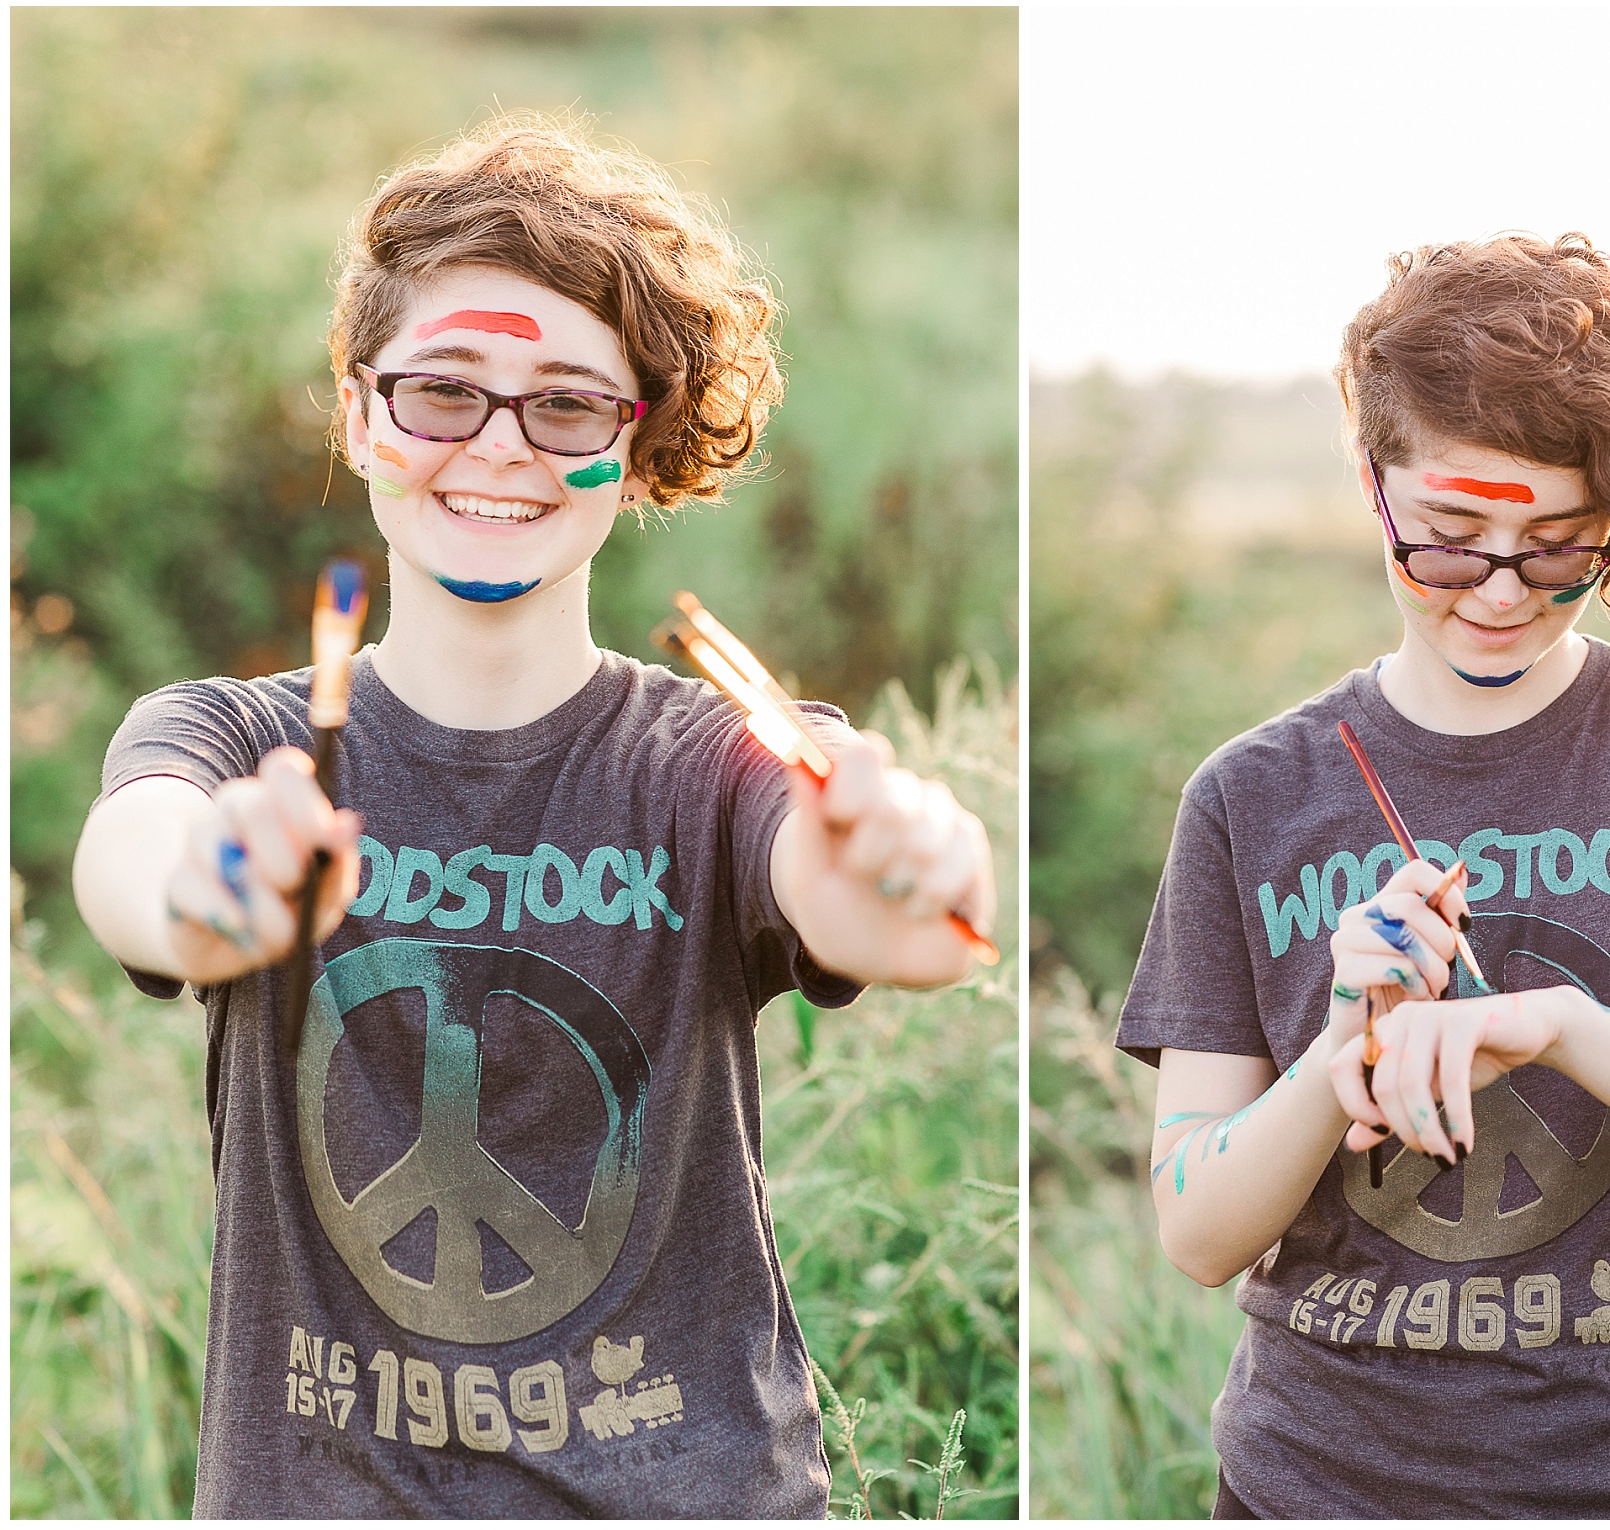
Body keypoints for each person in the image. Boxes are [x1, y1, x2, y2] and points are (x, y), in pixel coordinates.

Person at [71, 118, 996, 1517]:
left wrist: (917, 862)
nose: (499, 447)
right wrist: (210, 888)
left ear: (640, 442)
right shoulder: (233, 741)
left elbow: (881, 900)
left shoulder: (719, 764)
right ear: (360, 413)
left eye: (567, 405)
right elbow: (134, 862)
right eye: (444, 392)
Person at [1116, 233, 1610, 1518]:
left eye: (1555, 546)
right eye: (1446, 538)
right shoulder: (1248, 798)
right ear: (1369, 482)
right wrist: (1339, 1048)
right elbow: (1197, 1233)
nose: (1495, 590)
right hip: (1311, 1489)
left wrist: (1558, 1028)